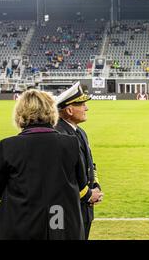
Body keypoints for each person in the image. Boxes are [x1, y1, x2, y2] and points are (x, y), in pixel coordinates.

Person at [0, 89, 87, 240]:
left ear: (20, 113)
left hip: (20, 225)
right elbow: (82, 183)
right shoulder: (71, 143)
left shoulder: (8, 146)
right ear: (51, 111)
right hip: (60, 224)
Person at [55, 82, 103, 240]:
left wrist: (95, 185)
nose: (86, 108)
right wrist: (89, 194)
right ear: (69, 110)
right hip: (68, 211)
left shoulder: (79, 131)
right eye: (82, 104)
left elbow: (90, 164)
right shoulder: (60, 135)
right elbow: (64, 176)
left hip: (84, 208)